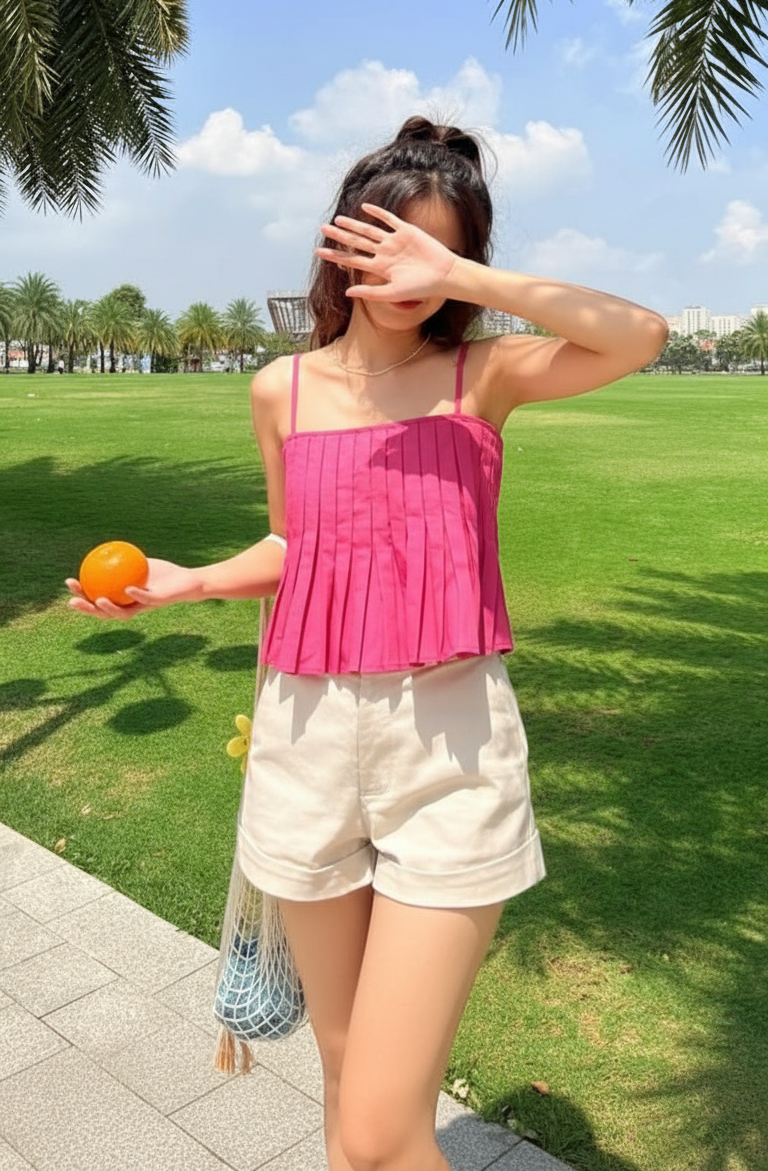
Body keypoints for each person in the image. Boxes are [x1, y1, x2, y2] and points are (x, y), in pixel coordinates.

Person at [66, 117, 667, 1171]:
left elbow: (639, 335)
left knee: (383, 1138)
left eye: (437, 257)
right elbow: (299, 544)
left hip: (449, 749)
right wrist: (193, 583)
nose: (410, 280)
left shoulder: (481, 376)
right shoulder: (281, 390)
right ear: (344, 244)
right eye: (392, 249)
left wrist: (474, 276)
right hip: (304, 739)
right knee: (351, 1109)